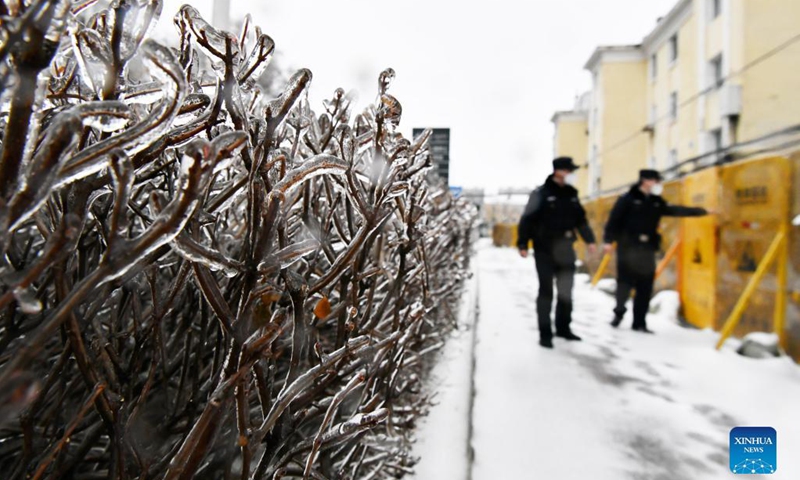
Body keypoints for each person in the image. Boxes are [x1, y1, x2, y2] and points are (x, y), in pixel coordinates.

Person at [603, 169, 712, 333]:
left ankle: (639, 322)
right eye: (656, 181)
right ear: (645, 181)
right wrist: (608, 241)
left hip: (647, 249)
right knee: (624, 284)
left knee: (645, 286)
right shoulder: (627, 199)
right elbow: (613, 220)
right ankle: (618, 314)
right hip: (628, 248)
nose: (658, 185)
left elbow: (675, 210)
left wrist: (702, 211)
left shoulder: (655, 201)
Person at [518, 157, 597, 349]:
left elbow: (581, 220)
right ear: (559, 171)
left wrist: (590, 240)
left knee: (566, 291)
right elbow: (527, 219)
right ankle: (545, 333)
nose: (573, 175)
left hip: (566, 249)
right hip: (544, 248)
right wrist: (523, 243)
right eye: (570, 171)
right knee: (546, 291)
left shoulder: (571, 194)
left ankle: (563, 328)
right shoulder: (541, 194)